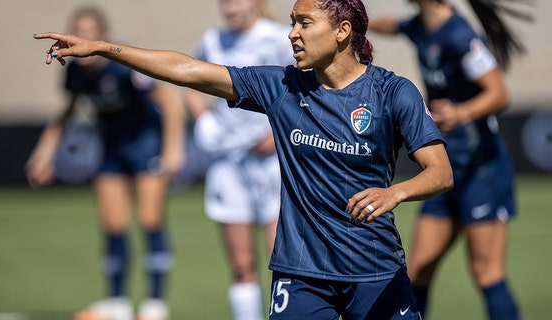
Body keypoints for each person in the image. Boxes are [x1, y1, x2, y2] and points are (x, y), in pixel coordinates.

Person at [34, 0, 453, 318]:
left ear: (343, 31)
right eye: (291, 22)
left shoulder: (394, 92)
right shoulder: (281, 86)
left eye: (304, 23)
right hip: (302, 272)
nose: (292, 33)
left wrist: (395, 192)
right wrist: (105, 49)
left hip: (375, 267)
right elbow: (189, 70)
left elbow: (439, 173)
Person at [368, 0, 531, 319]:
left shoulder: (459, 36)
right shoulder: (419, 26)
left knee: (487, 273)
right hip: (444, 171)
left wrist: (460, 112)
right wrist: (356, 21)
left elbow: (499, 93)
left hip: (481, 170)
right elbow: (391, 25)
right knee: (417, 272)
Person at [26, 6, 185, 320]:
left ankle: (154, 305)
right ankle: (118, 303)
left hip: (146, 146)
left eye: (90, 31)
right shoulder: (74, 69)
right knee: (113, 224)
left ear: (102, 35)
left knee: (150, 220)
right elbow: (66, 112)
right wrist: (43, 154)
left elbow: (169, 101)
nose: (83, 37)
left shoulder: (123, 65)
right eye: (78, 30)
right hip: (112, 149)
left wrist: (173, 149)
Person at [185, 1, 295, 319]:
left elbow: (309, 87)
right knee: (242, 265)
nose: (229, 7)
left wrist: (279, 134)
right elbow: (190, 80)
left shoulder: (279, 38)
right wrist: (202, 120)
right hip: (229, 163)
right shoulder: (213, 40)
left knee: (283, 260)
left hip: (273, 164)